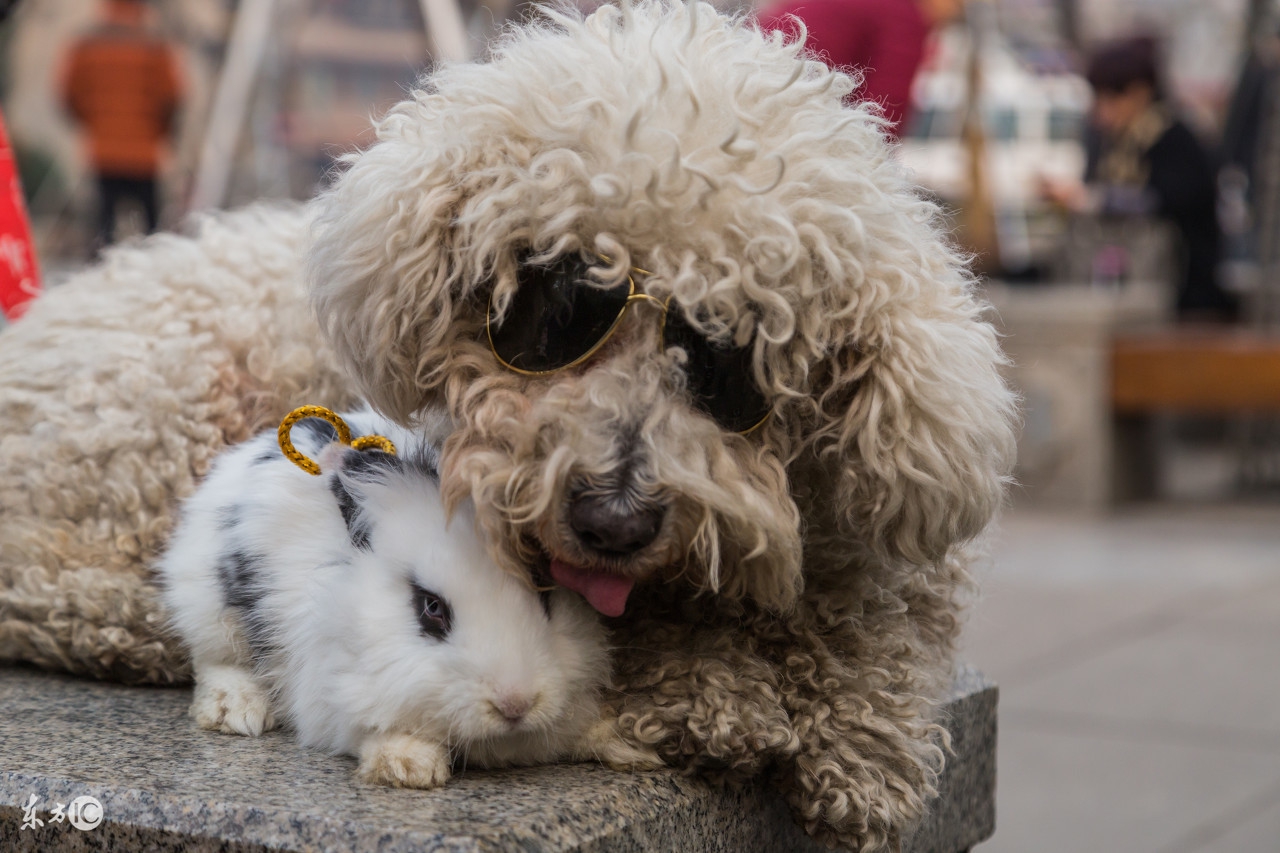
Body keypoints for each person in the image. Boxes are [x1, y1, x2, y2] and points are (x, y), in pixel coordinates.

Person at [1044, 37, 1237, 321]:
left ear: (1139, 92)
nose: (1102, 111)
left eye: (1111, 98)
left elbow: (1164, 201)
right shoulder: (1116, 142)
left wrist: (1090, 199)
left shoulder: (1174, 139)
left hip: (1185, 298)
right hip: (1132, 288)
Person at [60, 0, 183, 251]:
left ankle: (97, 277)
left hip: (103, 151)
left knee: (103, 229)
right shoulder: (154, 45)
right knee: (153, 233)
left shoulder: (88, 44)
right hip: (145, 153)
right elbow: (171, 97)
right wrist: (162, 133)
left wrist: (92, 124)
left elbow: (69, 92)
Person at [754, 0, 963, 136]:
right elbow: (885, 111)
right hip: (782, 106)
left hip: (752, 76)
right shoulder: (905, 15)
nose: (956, 12)